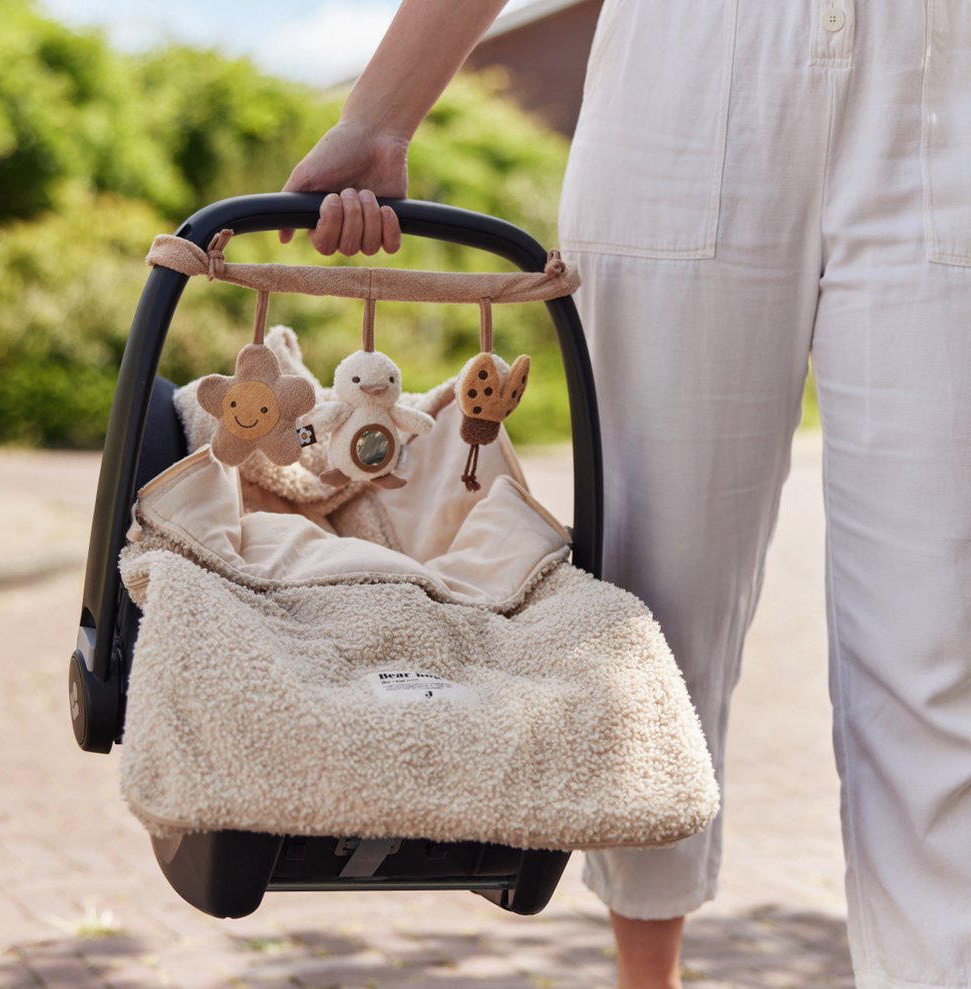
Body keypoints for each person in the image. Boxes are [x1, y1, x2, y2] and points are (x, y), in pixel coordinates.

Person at [279, 2, 971, 988]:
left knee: (936, 637)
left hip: (942, 83)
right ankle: (649, 978)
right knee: (656, 617)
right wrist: (380, 115)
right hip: (688, 83)